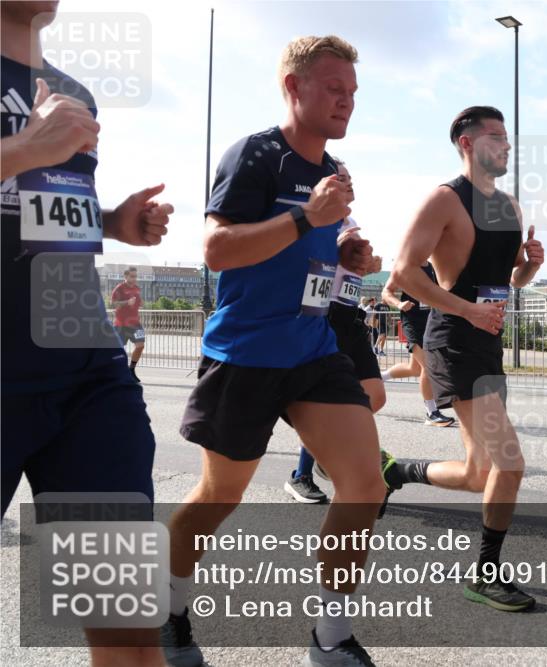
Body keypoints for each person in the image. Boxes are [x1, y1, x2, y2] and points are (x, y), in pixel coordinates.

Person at [165, 35, 383, 667]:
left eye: (352, 92)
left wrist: (350, 261)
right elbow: (219, 249)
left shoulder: (333, 173)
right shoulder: (254, 156)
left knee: (364, 485)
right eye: (334, 88)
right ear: (294, 86)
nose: (347, 102)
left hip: (313, 350)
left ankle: (330, 639)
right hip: (246, 351)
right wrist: (304, 220)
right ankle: (168, 612)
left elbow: (320, 255)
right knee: (218, 498)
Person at [2, 2, 172, 664]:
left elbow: (38, 213)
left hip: (86, 380)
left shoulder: (74, 93)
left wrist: (112, 222)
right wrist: (26, 147)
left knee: (125, 620)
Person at [384, 106, 543, 612]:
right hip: (453, 336)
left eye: (507, 137)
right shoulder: (444, 200)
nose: (507, 145)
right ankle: (486, 573)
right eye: (496, 137)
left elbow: (510, 281)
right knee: (510, 462)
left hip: (486, 338)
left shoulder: (511, 207)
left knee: (480, 474)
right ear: (467, 144)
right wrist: (468, 311)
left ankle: (396, 473)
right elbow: (405, 273)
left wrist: (529, 269)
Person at [285, 159, 387, 504]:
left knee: (375, 396)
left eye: (349, 177)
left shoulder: (351, 222)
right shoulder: (315, 223)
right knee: (322, 406)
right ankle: (302, 474)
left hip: (350, 316)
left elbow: (365, 264)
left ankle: (328, 451)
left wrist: (371, 263)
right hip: (323, 317)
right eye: (341, 178)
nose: (349, 182)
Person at [380, 263, 456, 426]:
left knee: (414, 368)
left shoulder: (435, 267)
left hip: (431, 322)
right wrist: (399, 304)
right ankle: (432, 412)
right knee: (427, 368)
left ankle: (380, 377)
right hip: (413, 323)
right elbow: (386, 292)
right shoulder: (405, 266)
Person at [111, 265, 146, 381]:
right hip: (121, 324)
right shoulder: (119, 288)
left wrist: (141, 303)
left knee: (140, 346)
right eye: (132, 276)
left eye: (136, 276)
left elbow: (138, 301)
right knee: (119, 349)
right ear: (125, 276)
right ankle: (117, 372)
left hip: (135, 323)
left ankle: (131, 369)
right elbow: (113, 304)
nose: (134, 279)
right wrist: (127, 302)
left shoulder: (137, 288)